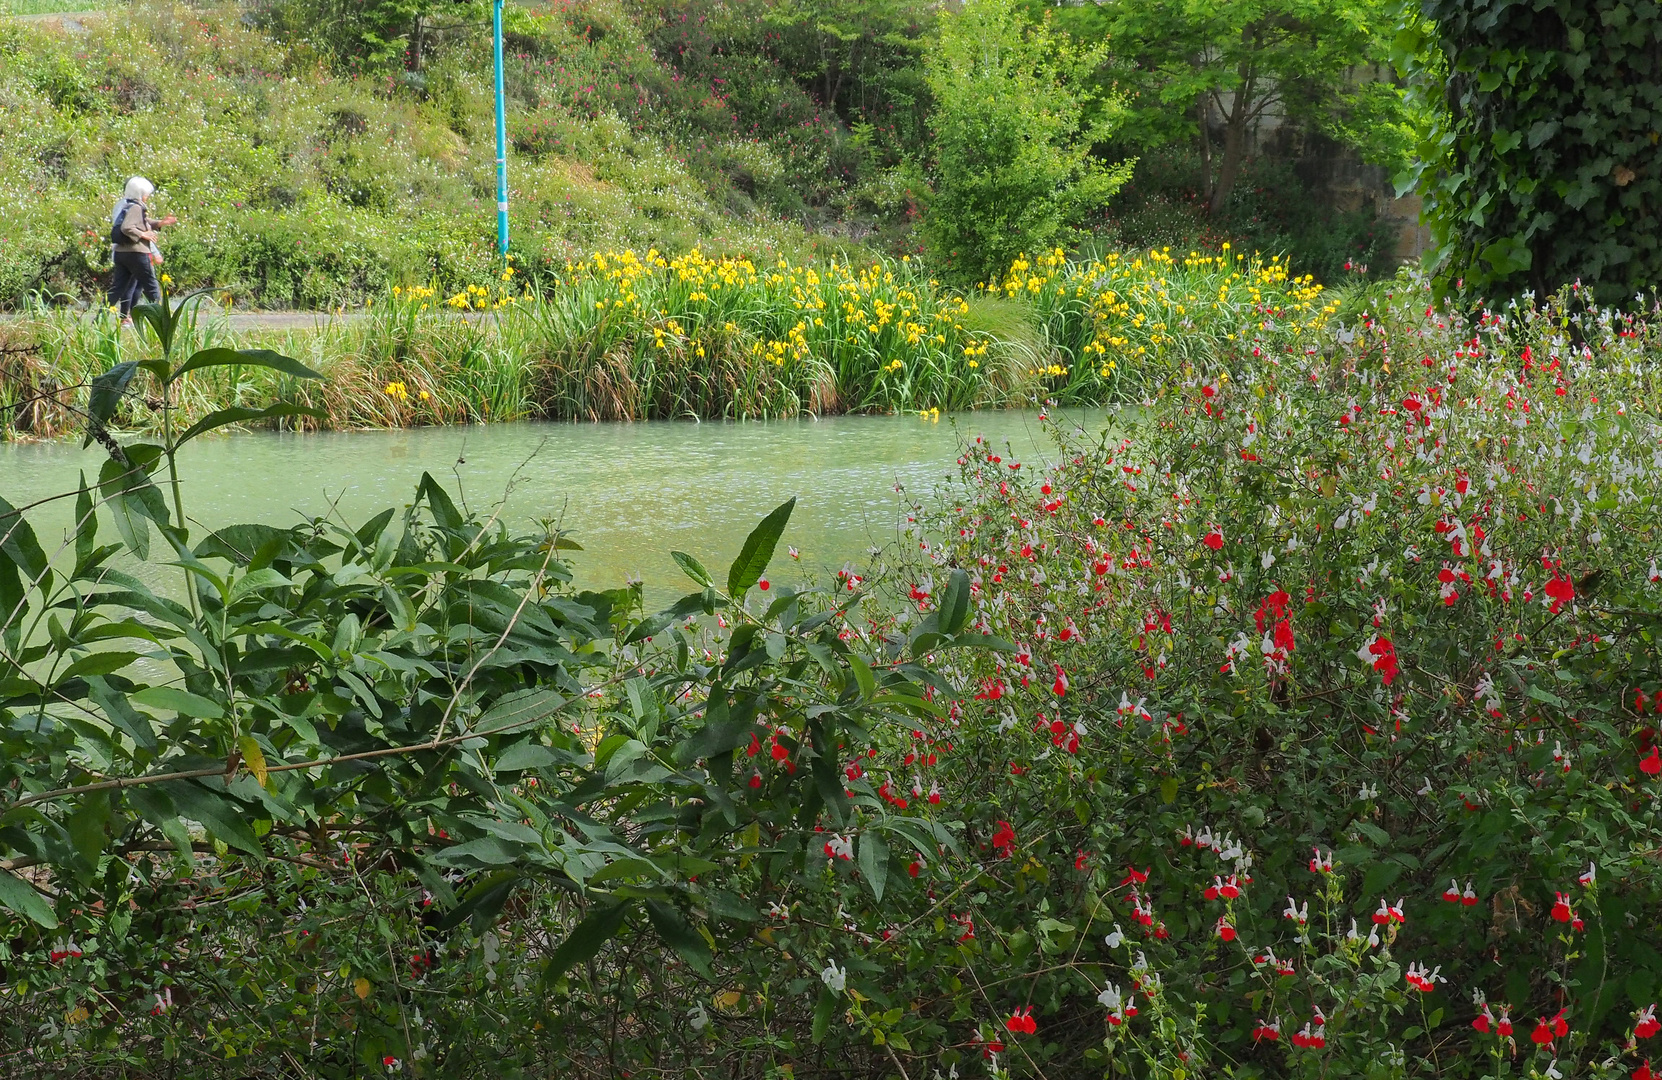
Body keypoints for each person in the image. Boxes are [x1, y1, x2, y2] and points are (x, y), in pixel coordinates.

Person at [108, 176, 176, 323]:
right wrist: (143, 234)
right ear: (139, 193)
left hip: (121, 253)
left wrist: (160, 223)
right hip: (137, 254)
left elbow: (142, 222)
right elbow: (127, 227)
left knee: (116, 290)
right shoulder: (136, 207)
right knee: (152, 288)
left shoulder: (126, 205)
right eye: (146, 193)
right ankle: (163, 321)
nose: (147, 196)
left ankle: (98, 320)